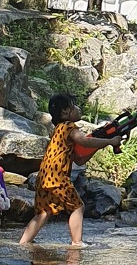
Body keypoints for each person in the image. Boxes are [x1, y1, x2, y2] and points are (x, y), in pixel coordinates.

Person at [19, 93, 119, 247]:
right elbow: (85, 141)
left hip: (44, 177)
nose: (79, 109)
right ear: (65, 112)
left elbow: (79, 159)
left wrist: (99, 147)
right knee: (78, 206)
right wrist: (110, 141)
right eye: (74, 106)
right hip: (57, 177)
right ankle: (77, 243)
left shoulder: (58, 130)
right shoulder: (69, 127)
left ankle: (23, 242)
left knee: (43, 212)